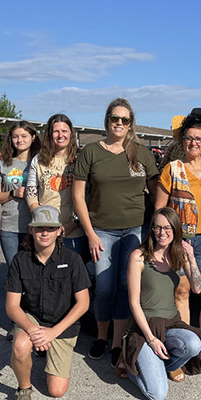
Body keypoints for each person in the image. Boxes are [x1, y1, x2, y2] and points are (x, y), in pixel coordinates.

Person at [72, 98, 159, 369]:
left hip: (136, 228)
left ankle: (118, 341)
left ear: (131, 123)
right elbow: (78, 195)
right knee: (105, 287)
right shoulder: (90, 152)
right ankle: (101, 336)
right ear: (107, 120)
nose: (119, 123)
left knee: (125, 285)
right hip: (102, 231)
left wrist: (156, 228)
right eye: (114, 118)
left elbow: (157, 193)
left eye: (124, 120)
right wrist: (90, 233)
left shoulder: (141, 153)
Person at [155, 113, 201, 366]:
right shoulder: (172, 169)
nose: (194, 143)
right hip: (180, 241)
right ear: (183, 140)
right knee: (182, 291)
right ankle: (189, 347)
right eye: (189, 138)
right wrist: (164, 241)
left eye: (198, 138)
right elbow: (160, 210)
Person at [5, 205, 91, 400]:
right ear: (31, 230)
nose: (45, 233)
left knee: (56, 391)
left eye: (50, 228)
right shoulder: (20, 260)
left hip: (62, 324)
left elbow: (83, 303)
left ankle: (46, 349)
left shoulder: (72, 259)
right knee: (20, 344)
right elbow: (12, 306)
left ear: (60, 231)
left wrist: (52, 333)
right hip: (32, 319)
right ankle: (23, 390)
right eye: (39, 228)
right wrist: (32, 330)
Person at [119, 207, 201, 400]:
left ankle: (163, 365)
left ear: (175, 230)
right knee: (157, 395)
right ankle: (130, 365)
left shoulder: (178, 255)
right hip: (145, 328)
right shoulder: (138, 257)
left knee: (193, 344)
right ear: (152, 230)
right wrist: (151, 339)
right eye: (157, 228)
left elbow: (197, 289)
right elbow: (133, 303)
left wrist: (191, 256)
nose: (162, 233)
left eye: (167, 228)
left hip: (171, 324)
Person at [25, 114, 85, 256]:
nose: (60, 135)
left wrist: (73, 223)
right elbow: (31, 193)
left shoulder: (80, 159)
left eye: (64, 131)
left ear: (71, 133)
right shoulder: (38, 159)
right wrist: (42, 221)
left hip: (73, 230)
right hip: (46, 230)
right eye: (56, 131)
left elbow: (87, 194)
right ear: (49, 134)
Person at [0, 121, 41, 265]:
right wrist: (13, 193)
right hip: (9, 227)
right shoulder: (3, 164)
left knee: (33, 270)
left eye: (24, 136)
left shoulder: (41, 162)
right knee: (14, 269)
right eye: (15, 136)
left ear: (33, 137)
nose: (20, 140)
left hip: (35, 226)